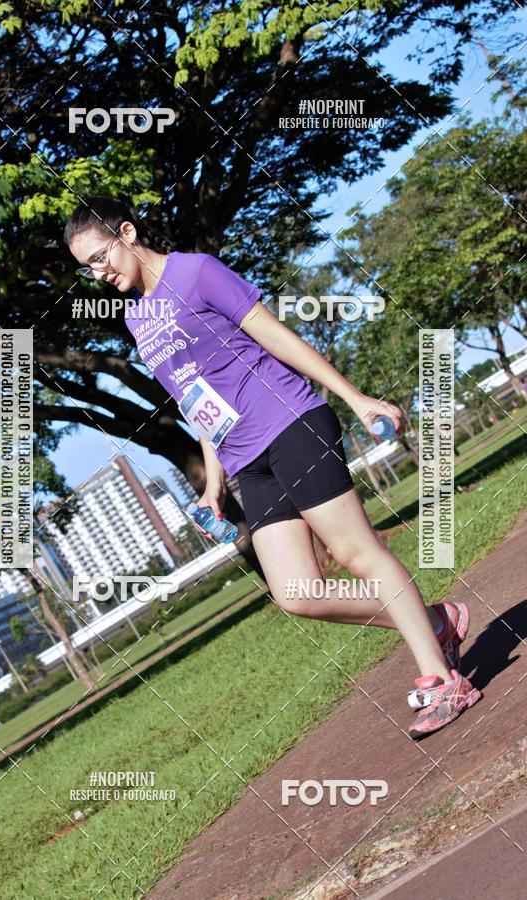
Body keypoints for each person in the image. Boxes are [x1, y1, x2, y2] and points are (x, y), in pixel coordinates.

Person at [64, 195, 482, 740]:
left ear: (126, 232)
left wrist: (355, 398)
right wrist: (213, 486)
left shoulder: (196, 272)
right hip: (244, 458)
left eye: (101, 256)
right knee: (295, 593)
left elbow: (275, 334)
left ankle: (442, 679)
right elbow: (196, 398)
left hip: (291, 424)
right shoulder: (137, 317)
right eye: (86, 268)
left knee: (358, 554)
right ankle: (432, 622)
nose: (98, 273)